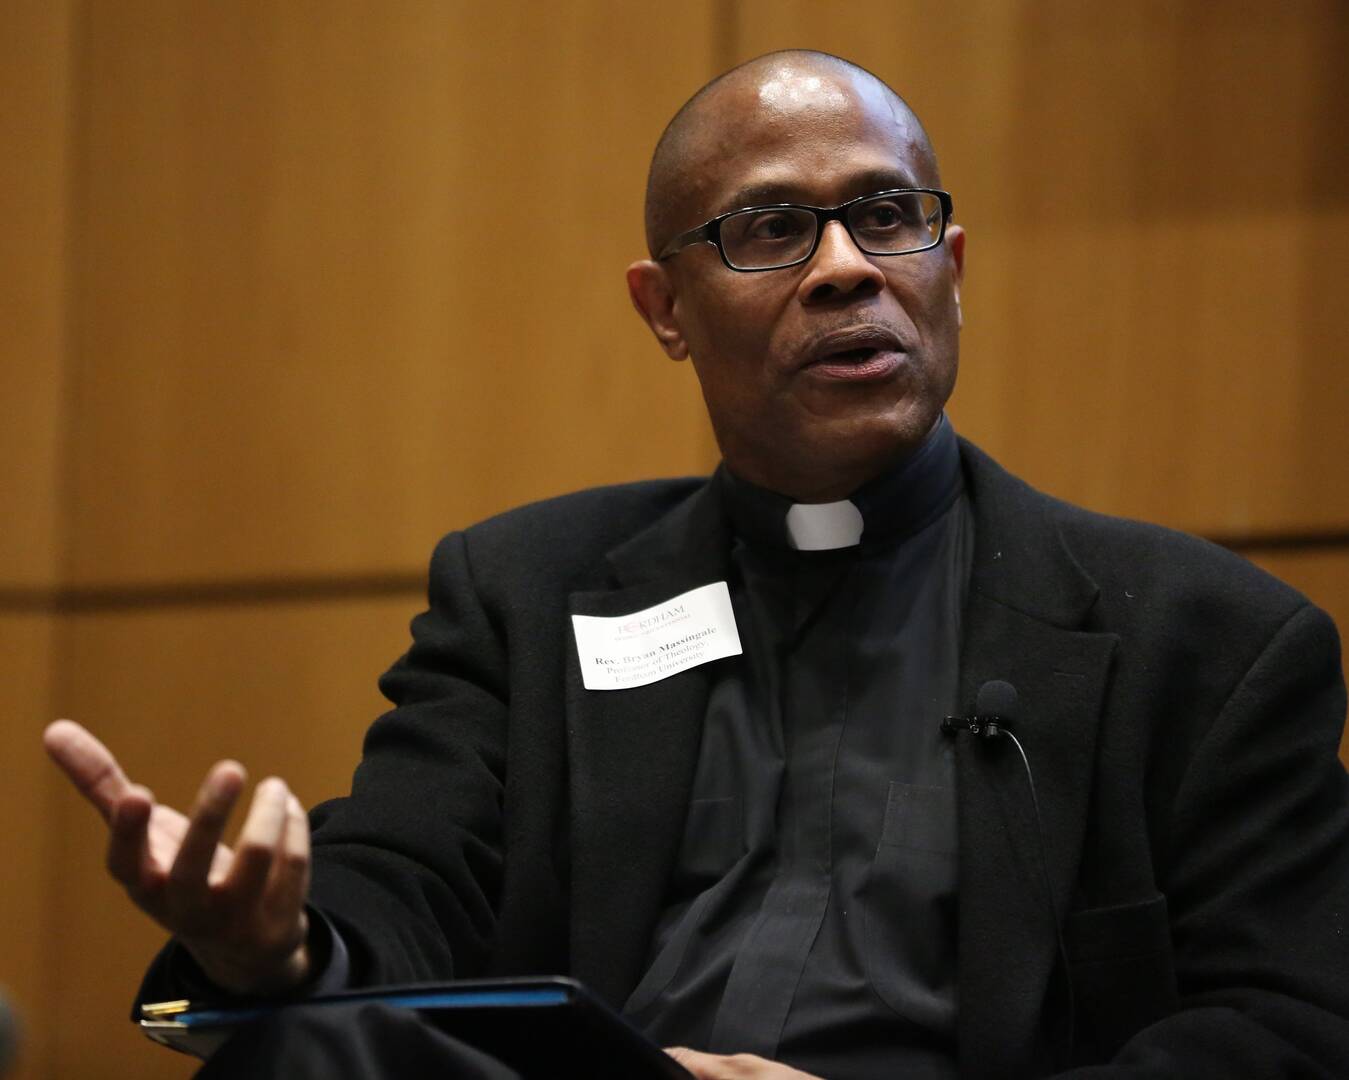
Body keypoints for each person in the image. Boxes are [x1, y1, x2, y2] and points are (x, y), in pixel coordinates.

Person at [45, 50, 1349, 1079]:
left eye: (884, 218)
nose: (845, 271)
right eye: (770, 230)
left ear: (949, 272)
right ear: (663, 310)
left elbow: (1295, 1027)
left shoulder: (1205, 641)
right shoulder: (527, 594)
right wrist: (278, 943)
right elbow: (407, 874)